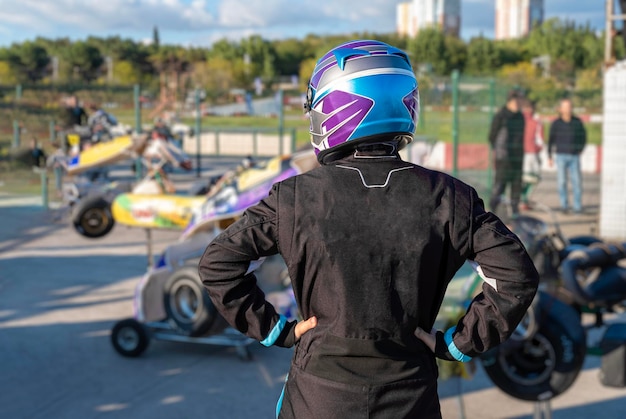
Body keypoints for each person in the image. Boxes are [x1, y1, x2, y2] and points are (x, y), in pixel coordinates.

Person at [198, 40, 539, 419]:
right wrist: (458, 344)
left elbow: (218, 263)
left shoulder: (294, 196)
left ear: (337, 107)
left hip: (319, 395)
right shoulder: (450, 196)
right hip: (410, 394)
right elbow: (515, 276)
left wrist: (275, 330)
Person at [488, 90, 525, 216]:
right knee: (500, 185)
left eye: (520, 100)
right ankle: (493, 211)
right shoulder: (500, 116)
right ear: (510, 101)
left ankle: (515, 212)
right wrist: (500, 152)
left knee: (516, 186)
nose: (519, 103)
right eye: (516, 100)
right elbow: (492, 136)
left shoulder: (521, 117)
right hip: (503, 158)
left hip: (517, 157)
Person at [547, 98, 587, 214]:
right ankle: (564, 206)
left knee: (577, 182)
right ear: (560, 109)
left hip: (574, 156)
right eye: (565, 107)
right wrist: (549, 156)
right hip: (560, 156)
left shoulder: (577, 122)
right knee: (561, 182)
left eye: (570, 107)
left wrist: (580, 149)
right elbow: (551, 140)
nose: (568, 109)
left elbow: (583, 137)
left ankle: (577, 207)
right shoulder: (556, 124)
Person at [520, 99, 544, 210]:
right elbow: (540, 140)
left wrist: (536, 148)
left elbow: (540, 139)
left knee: (532, 178)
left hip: (530, 153)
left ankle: (524, 199)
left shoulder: (536, 121)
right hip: (526, 154)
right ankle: (523, 200)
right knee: (528, 178)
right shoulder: (521, 120)